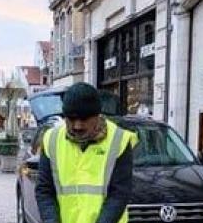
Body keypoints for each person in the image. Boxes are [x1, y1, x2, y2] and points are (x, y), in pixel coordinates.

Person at [36, 82, 137, 223]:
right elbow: (44, 190)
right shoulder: (51, 139)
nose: (77, 125)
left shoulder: (119, 140)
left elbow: (119, 194)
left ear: (97, 116)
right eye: (71, 119)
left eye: (84, 119)